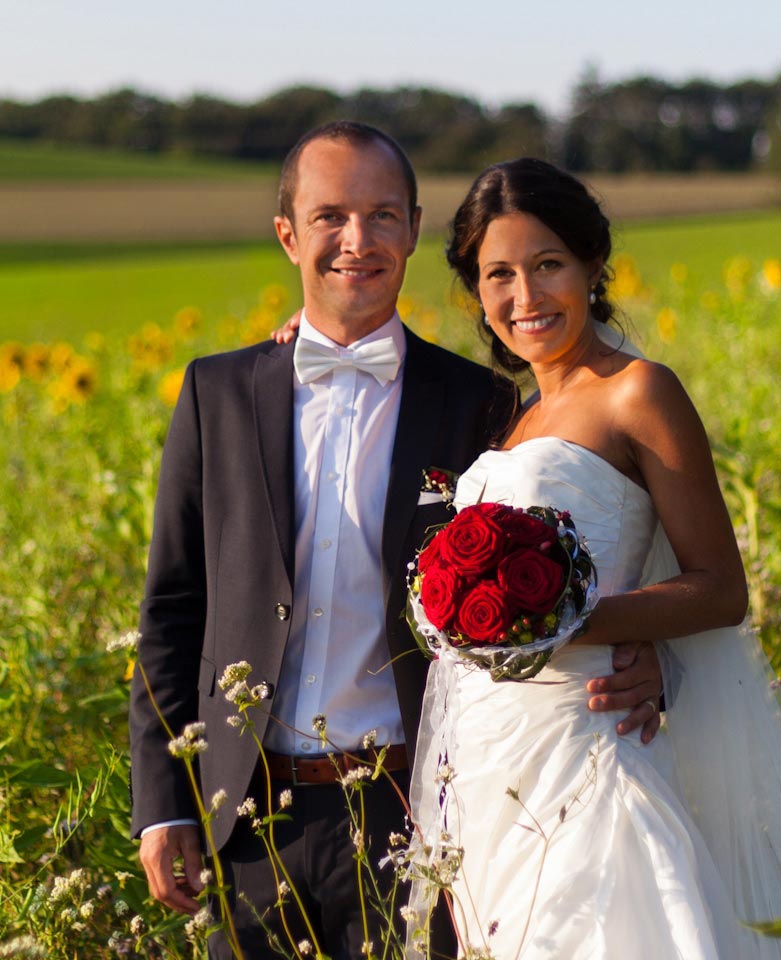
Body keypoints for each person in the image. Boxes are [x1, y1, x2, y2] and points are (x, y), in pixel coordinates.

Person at [129, 124, 664, 960]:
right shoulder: (218, 392)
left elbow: (563, 562)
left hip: (419, 811)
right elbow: (172, 608)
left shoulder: (484, 403)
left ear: (413, 230)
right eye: (330, 216)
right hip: (248, 818)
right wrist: (163, 803)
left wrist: (638, 642)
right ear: (288, 234)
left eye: (382, 216)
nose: (357, 241)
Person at [404, 158, 781, 959]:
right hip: (492, 756)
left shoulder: (638, 391)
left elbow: (719, 588)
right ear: (476, 291)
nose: (525, 297)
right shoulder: (513, 418)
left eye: (547, 265)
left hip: (591, 741)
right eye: (499, 274)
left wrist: (559, 623)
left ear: (593, 267)